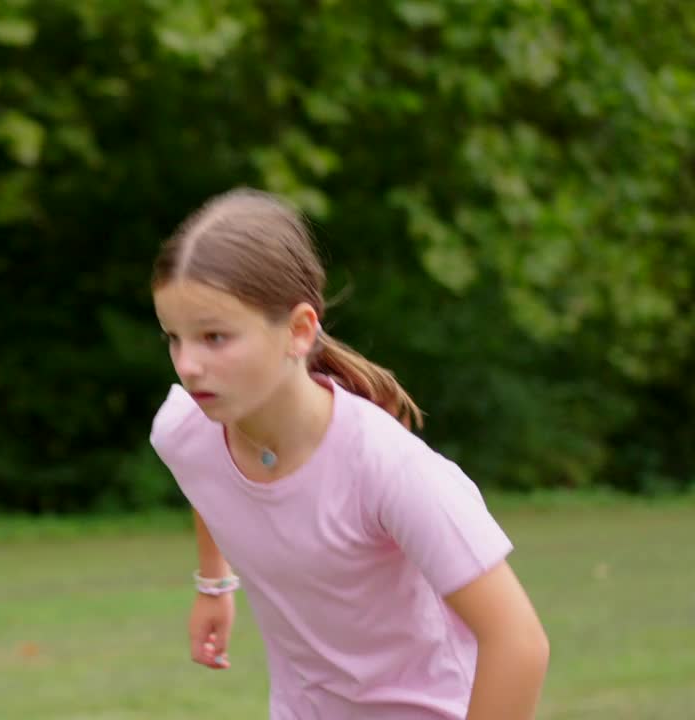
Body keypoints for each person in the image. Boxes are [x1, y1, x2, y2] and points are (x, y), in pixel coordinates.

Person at [148, 188, 550, 719]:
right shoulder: (185, 429)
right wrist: (214, 583)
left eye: (214, 337)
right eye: (174, 338)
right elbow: (206, 478)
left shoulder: (389, 468)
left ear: (298, 331)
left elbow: (519, 643)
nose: (189, 365)